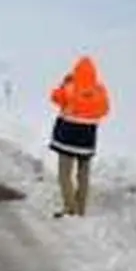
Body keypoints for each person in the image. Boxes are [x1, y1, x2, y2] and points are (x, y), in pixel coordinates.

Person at [48, 55, 110, 217]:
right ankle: (81, 208)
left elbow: (54, 97)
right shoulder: (99, 90)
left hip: (67, 138)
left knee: (64, 174)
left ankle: (70, 208)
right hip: (87, 139)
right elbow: (105, 110)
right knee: (83, 175)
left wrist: (66, 83)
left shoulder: (70, 87)